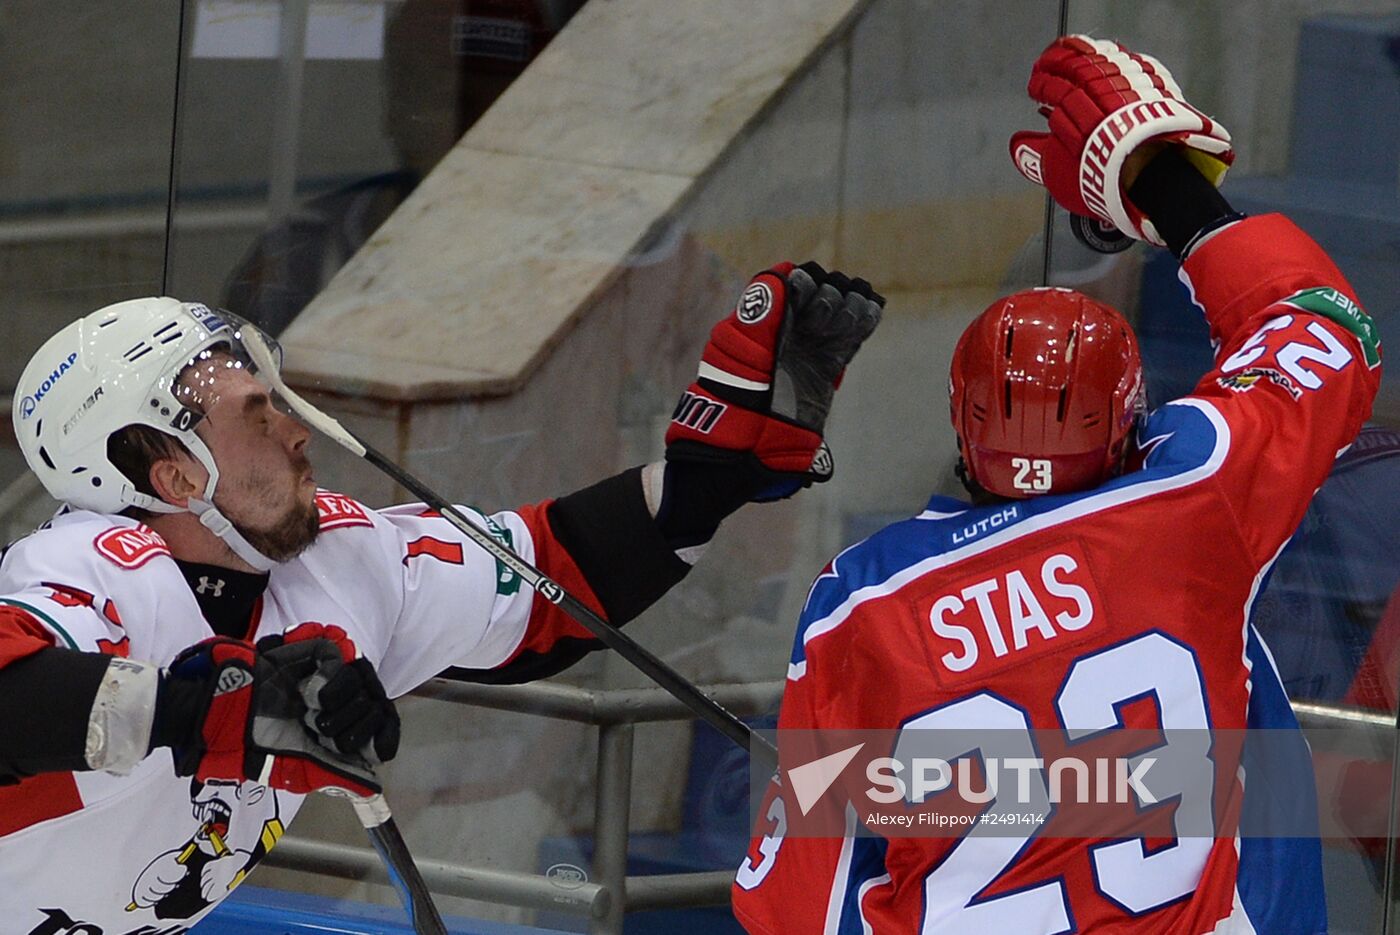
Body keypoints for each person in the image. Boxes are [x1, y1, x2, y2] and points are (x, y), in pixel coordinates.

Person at [0, 262, 882, 931]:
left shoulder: (339, 560)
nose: (298, 430)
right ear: (172, 470)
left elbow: (543, 582)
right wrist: (223, 704)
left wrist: (707, 475)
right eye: (257, 415)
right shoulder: (93, 568)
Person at [732, 35, 1380, 934]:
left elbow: (796, 910)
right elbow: (1324, 329)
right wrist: (1163, 182)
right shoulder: (1190, 491)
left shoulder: (861, 600)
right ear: (1131, 417)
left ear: (963, 420)